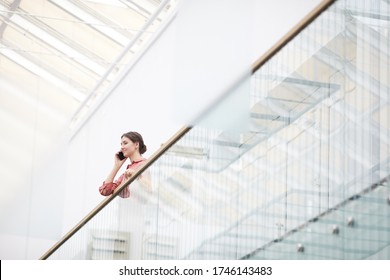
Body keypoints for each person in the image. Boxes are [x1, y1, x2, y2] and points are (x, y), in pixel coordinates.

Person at [99, 131, 150, 198]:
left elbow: (149, 188)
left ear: (136, 145)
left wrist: (135, 175)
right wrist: (116, 166)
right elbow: (104, 191)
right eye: (121, 144)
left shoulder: (145, 164)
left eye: (125, 143)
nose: (122, 147)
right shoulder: (126, 173)